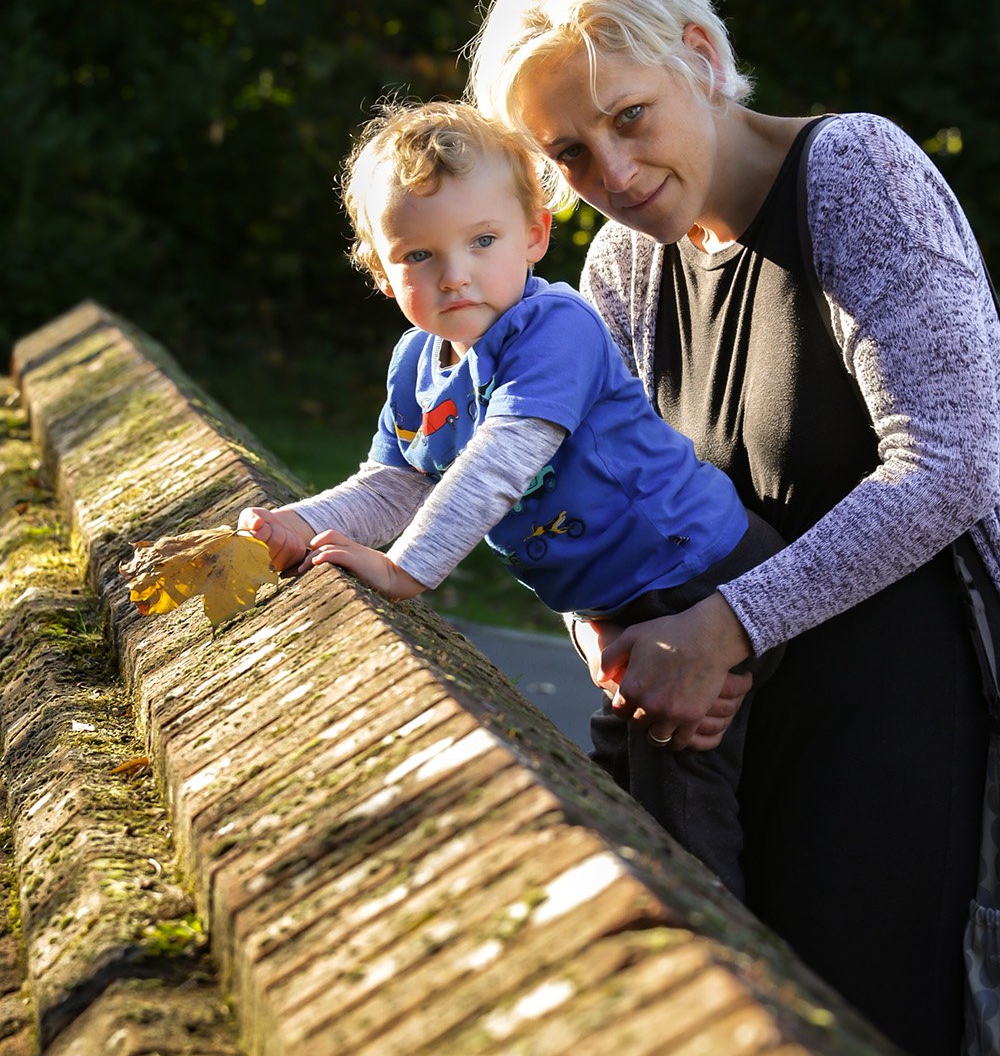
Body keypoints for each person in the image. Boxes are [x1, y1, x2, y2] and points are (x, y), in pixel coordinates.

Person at [465, 0, 1000, 1056]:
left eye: (628, 117)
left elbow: (955, 465)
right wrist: (607, 642)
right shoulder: (620, 267)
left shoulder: (854, 173)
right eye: (567, 153)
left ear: (701, 56)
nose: (608, 170)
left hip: (898, 739)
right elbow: (580, 497)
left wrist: (721, 629)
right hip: (710, 750)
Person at [239, 100, 783, 897]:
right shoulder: (417, 364)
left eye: (482, 241)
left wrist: (406, 571)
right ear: (381, 271)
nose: (454, 273)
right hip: (619, 600)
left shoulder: (552, 328)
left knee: (677, 796)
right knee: (617, 777)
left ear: (535, 233)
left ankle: (707, 958)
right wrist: (298, 524)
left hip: (697, 570)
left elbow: (502, 461)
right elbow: (397, 479)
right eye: (418, 255)